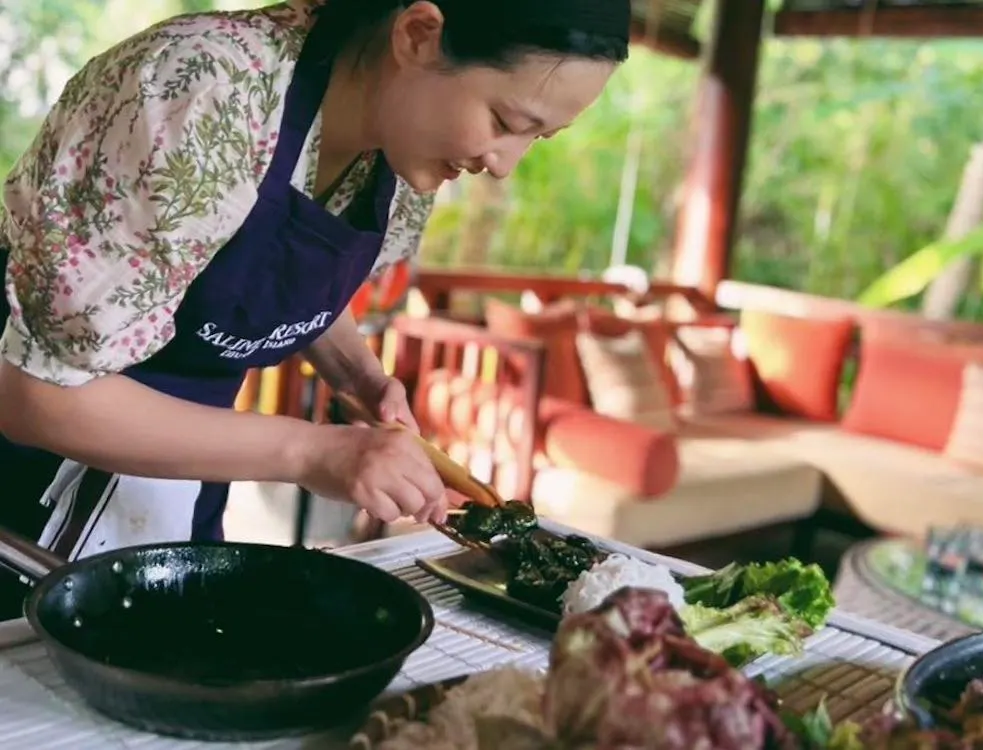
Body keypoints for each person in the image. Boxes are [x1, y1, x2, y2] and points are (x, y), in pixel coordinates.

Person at [0, 0, 631, 618]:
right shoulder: (207, 90)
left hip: (172, 475)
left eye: (539, 137)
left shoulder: (403, 148)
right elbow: (38, 398)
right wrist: (312, 453)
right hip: (24, 481)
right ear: (417, 34)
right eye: (503, 120)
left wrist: (356, 374)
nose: (504, 164)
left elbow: (263, 270)